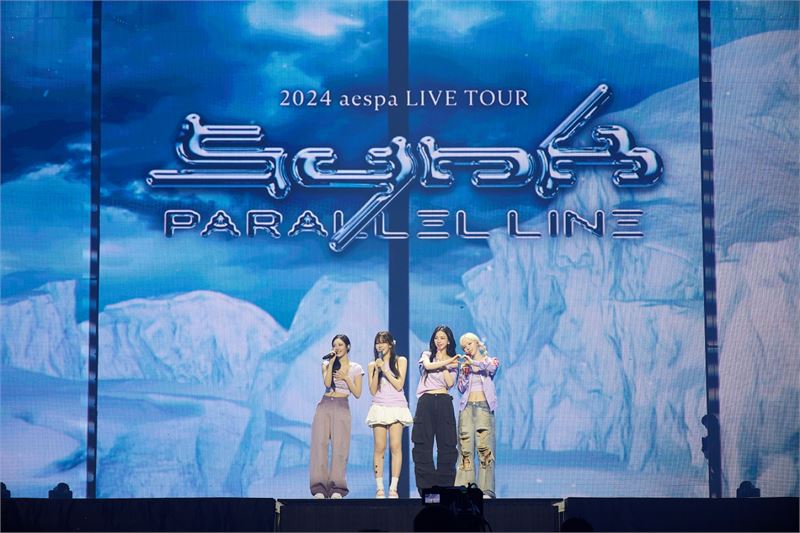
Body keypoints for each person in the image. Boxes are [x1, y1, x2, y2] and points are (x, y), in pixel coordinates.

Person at [309, 334, 363, 499]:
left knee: (340, 447)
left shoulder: (356, 368)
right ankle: (319, 487)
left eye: (340, 344)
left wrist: (346, 378)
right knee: (319, 444)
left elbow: (357, 393)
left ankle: (337, 488)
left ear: (348, 346)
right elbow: (327, 383)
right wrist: (331, 363)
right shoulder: (326, 364)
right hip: (325, 404)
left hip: (342, 406)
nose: (337, 348)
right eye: (334, 345)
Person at [365, 331, 413, 498]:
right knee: (379, 447)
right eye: (377, 342)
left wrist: (385, 369)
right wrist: (377, 370)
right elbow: (372, 390)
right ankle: (379, 488)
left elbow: (399, 385)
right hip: (379, 406)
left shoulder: (401, 361)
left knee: (395, 446)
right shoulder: (372, 365)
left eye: (383, 342)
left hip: (396, 406)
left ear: (391, 344)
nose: (379, 345)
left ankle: (393, 488)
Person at [412, 325, 459, 496]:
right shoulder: (427, 355)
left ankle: (445, 489)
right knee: (422, 445)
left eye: (442, 338)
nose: (438, 341)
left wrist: (446, 363)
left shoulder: (453, 361)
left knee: (447, 445)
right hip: (426, 401)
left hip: (444, 401)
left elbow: (450, 383)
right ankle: (427, 489)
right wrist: (446, 362)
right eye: (436, 338)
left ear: (449, 341)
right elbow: (428, 366)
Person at [454, 333, 500, 499]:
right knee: (465, 449)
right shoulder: (465, 365)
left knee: (485, 448)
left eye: (469, 344)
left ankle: (485, 489)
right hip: (467, 408)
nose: (467, 349)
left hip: (483, 408)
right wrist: (465, 373)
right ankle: (464, 489)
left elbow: (491, 368)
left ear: (477, 343)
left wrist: (472, 363)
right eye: (464, 347)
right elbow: (460, 388)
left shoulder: (490, 361)